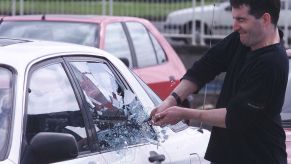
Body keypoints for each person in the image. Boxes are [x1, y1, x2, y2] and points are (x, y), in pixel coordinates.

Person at [150, 0, 289, 163]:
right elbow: (205, 67)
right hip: (225, 155)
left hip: (259, 157)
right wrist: (171, 100)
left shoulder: (271, 63)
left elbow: (234, 117)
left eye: (241, 20)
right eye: (234, 18)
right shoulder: (244, 39)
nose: (235, 26)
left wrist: (183, 113)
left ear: (265, 19)